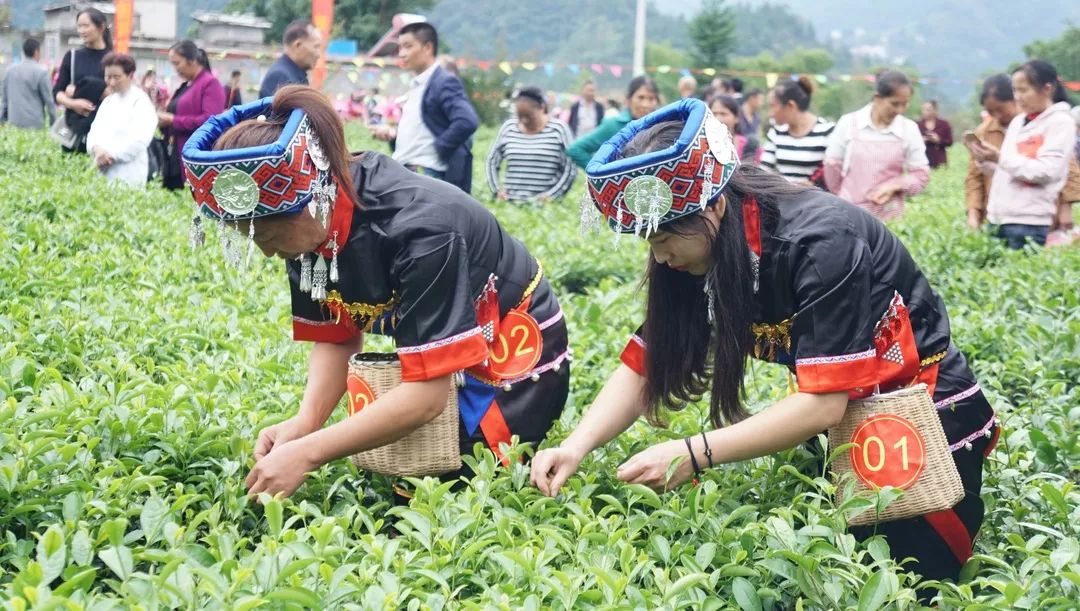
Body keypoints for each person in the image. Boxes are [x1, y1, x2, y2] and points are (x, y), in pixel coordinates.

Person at [535, 98, 996, 601]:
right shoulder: (699, 253)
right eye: (648, 241)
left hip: (918, 417)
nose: (659, 257)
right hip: (842, 425)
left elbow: (823, 403)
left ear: (713, 207)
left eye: (664, 238)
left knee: (909, 578)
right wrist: (576, 445)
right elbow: (651, 359)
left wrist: (693, 453)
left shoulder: (820, 241)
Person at [181, 86, 570, 498]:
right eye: (251, 236)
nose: (267, 250)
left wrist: (308, 455)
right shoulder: (306, 228)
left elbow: (424, 399)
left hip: (512, 357)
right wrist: (304, 424)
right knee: (399, 482)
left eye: (272, 233)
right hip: (440, 360)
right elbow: (338, 335)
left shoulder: (423, 230)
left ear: (314, 197)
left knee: (453, 493)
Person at [965, 73, 1080, 243]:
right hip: (1000, 214)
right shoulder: (984, 131)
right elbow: (974, 178)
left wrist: (1065, 209)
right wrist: (973, 213)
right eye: (990, 111)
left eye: (1000, 109)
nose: (996, 115)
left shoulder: (1043, 124)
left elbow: (1065, 168)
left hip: (1036, 214)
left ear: (1015, 101)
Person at [370, 22, 479, 193]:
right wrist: (394, 136)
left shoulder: (443, 81)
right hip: (407, 171)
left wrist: (439, 148)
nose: (402, 53)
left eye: (408, 46)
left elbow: (466, 120)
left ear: (428, 47)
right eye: (400, 47)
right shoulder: (419, 84)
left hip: (427, 173)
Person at [824, 71, 929, 220]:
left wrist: (894, 185)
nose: (900, 110)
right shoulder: (849, 123)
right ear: (877, 98)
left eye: (905, 104)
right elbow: (832, 165)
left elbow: (921, 175)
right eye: (894, 103)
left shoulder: (908, 129)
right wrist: (844, 196)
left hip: (889, 215)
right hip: (850, 213)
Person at [486, 87, 576, 204]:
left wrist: (551, 196)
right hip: (510, 204)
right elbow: (492, 160)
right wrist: (496, 190)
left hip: (546, 209)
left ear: (542, 108)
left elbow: (571, 167)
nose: (524, 121)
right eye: (520, 116)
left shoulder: (558, 129)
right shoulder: (509, 127)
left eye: (529, 116)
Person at [158, 40, 225, 190]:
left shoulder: (210, 83)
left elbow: (211, 121)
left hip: (196, 153)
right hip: (175, 154)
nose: (175, 69)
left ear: (192, 60)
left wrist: (173, 120)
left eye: (177, 63)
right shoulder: (187, 85)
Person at [85, 53, 158, 189]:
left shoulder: (140, 101)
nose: (111, 82)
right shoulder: (108, 101)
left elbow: (141, 139)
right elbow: (94, 131)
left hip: (129, 173)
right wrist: (97, 149)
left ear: (130, 75)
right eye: (108, 77)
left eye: (117, 77)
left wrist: (112, 155)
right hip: (103, 170)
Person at [52, 7, 111, 153]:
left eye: (86, 26)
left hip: (105, 129)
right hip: (74, 127)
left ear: (101, 27)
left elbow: (118, 93)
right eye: (79, 26)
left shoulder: (113, 59)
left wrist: (79, 90)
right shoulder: (72, 56)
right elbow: (57, 92)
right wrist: (73, 103)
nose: (81, 30)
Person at [567, 76, 660, 168]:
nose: (645, 104)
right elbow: (575, 149)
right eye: (641, 97)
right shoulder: (614, 125)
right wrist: (602, 172)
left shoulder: (662, 126)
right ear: (628, 100)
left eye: (651, 99)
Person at [761, 77, 835, 188]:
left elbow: (834, 174)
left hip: (818, 202)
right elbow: (763, 171)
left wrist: (816, 185)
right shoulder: (776, 133)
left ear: (791, 106)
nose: (770, 113)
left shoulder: (828, 132)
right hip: (782, 200)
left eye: (772, 106)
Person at [0, 38, 56, 130]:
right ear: (36, 52)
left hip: (13, 123)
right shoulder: (41, 72)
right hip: (35, 125)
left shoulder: (9, 71)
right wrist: (53, 124)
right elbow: (49, 102)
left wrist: (2, 121)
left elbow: (4, 102)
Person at [259, 20, 322, 98]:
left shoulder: (295, 75)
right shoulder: (280, 77)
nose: (318, 54)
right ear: (298, 46)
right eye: (316, 47)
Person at [708, 93, 759, 163]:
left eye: (723, 114)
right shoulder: (703, 145)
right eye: (714, 114)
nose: (718, 118)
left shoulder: (749, 146)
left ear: (736, 118)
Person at [917, 100, 953, 169]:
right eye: (924, 109)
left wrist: (938, 140)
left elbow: (950, 142)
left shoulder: (944, 124)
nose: (925, 112)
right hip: (921, 161)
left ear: (935, 110)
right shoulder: (917, 125)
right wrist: (921, 140)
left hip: (939, 161)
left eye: (928, 109)